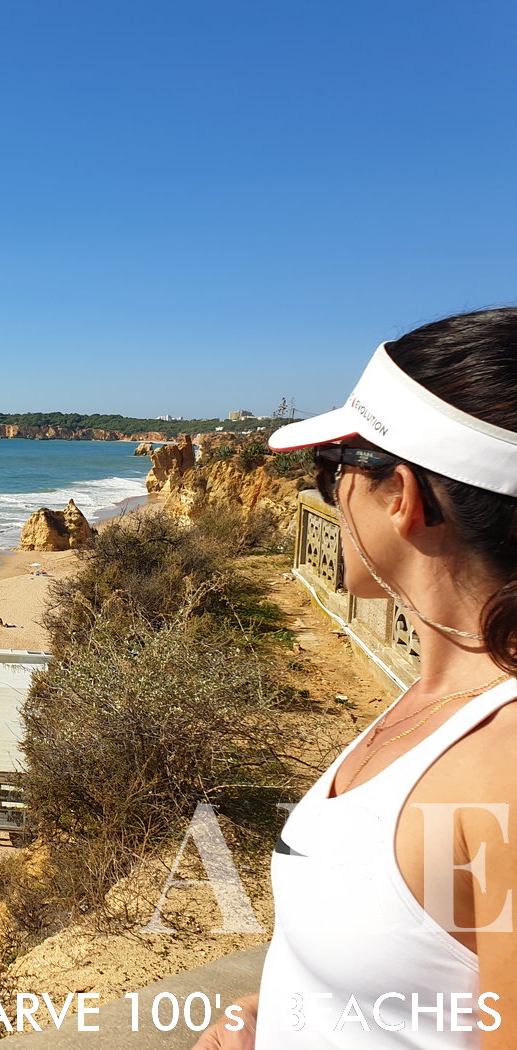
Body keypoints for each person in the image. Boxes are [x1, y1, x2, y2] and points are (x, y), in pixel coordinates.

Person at [193, 309, 517, 1048]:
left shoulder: (503, 769)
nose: (325, 494)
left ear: (401, 495)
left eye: (331, 470)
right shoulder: (439, 702)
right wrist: (272, 1018)